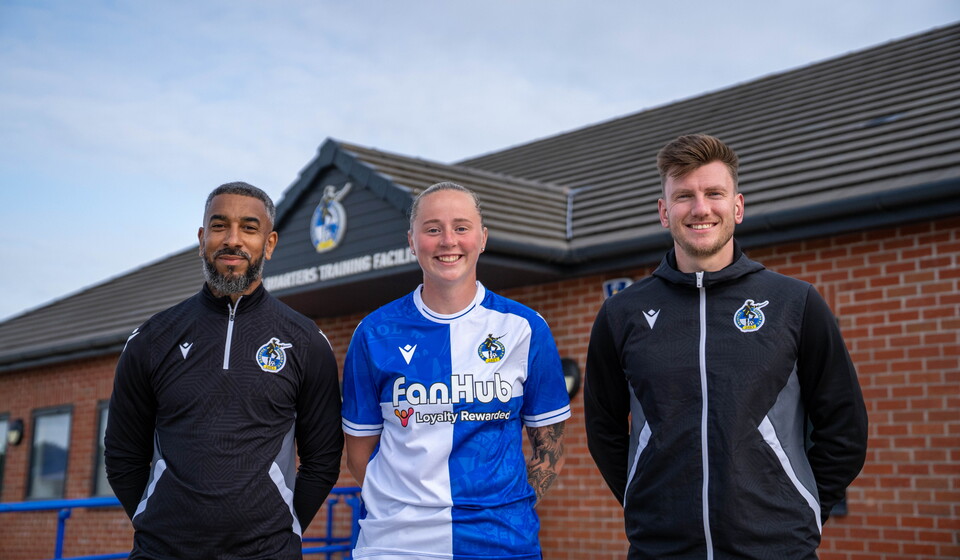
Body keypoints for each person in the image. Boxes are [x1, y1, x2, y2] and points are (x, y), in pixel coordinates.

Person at [584, 134, 868, 559]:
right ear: (664, 212)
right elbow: (603, 428)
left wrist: (802, 508)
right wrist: (646, 502)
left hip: (778, 548)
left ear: (737, 206)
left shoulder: (795, 302)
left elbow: (844, 426)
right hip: (661, 549)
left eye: (714, 193)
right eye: (684, 196)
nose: (700, 208)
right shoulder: (622, 313)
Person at [105, 182, 343, 560]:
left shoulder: (305, 341)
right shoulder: (152, 338)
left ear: (269, 243)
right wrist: (156, 520)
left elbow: (324, 459)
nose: (233, 240)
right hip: (162, 551)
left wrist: (286, 525)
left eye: (249, 228)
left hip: (268, 553)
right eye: (219, 226)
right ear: (202, 238)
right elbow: (122, 456)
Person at [341, 181, 570, 560]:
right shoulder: (374, 333)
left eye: (461, 227)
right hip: (395, 544)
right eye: (432, 229)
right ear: (412, 241)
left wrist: (502, 508)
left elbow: (551, 451)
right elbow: (358, 455)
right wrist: (410, 509)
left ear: (482, 238)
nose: (448, 240)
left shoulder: (525, 328)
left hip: (501, 542)